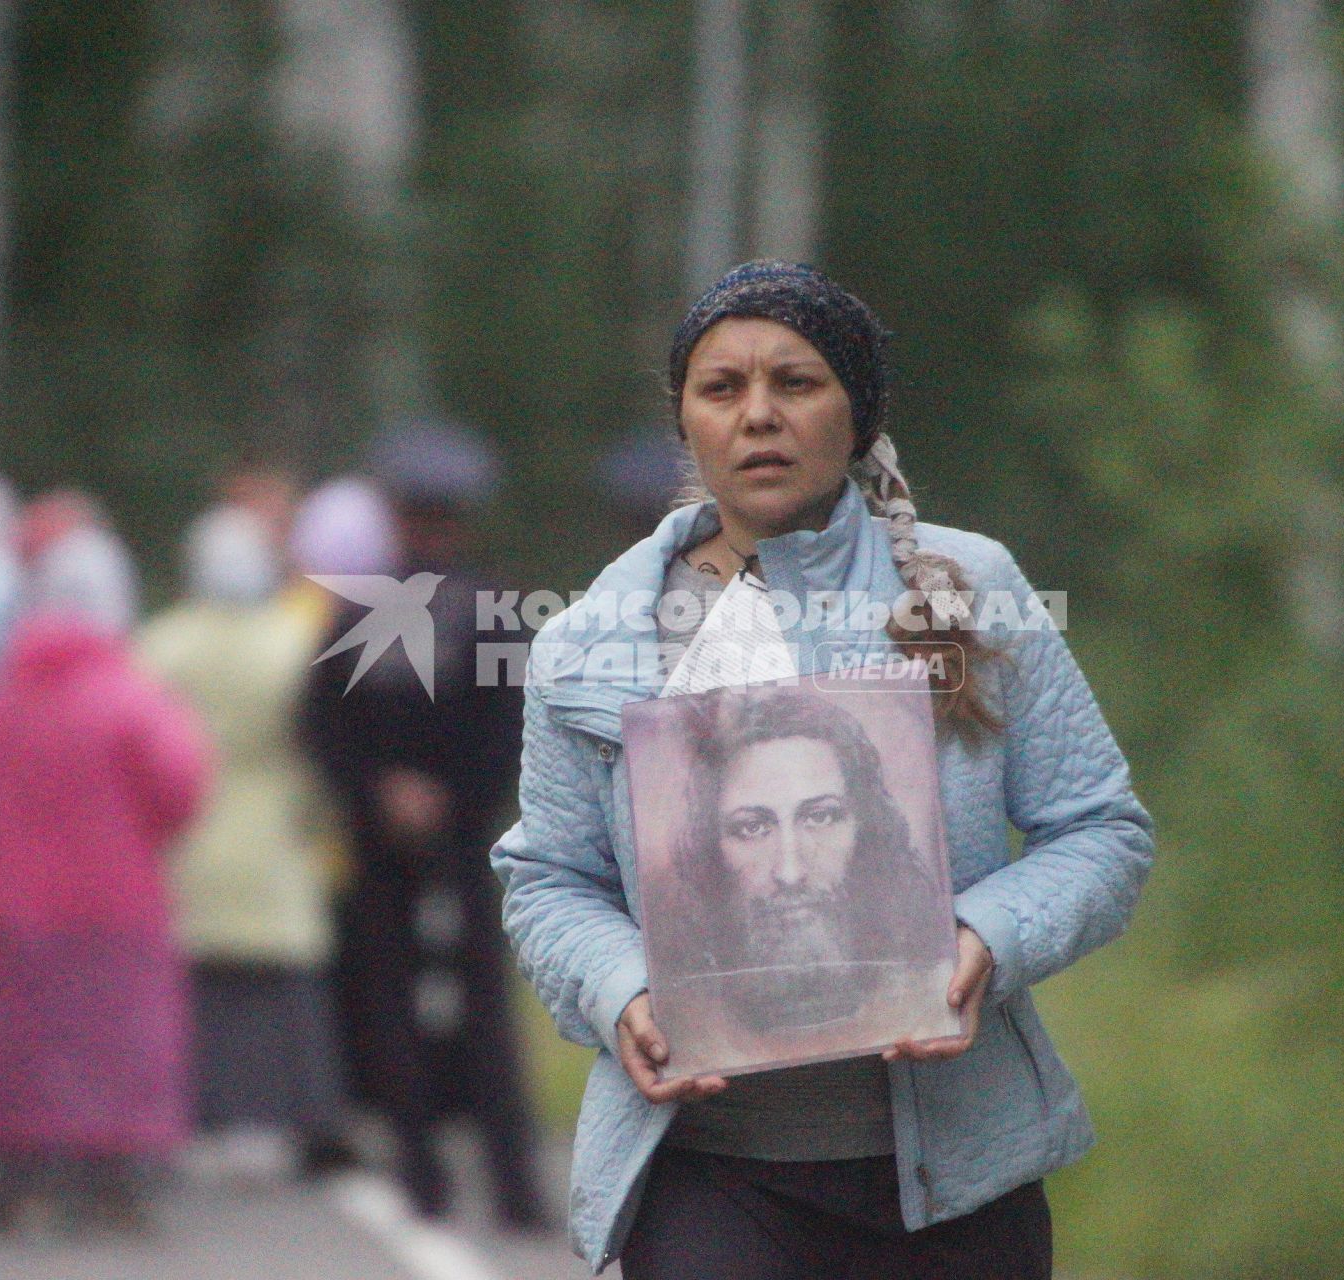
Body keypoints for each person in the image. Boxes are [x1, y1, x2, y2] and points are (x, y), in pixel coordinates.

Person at [491, 259, 1156, 1278]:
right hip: (711, 1174)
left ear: (857, 411)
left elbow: (1101, 829)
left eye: (794, 383)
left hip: (952, 1176)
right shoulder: (592, 638)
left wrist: (987, 938)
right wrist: (621, 988)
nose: (757, 415)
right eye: (722, 389)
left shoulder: (968, 586)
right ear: (686, 422)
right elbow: (548, 879)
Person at [299, 419, 548, 1228]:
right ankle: (498, 1184)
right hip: (447, 839)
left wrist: (390, 790)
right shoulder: (487, 607)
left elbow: (324, 727)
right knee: (467, 1012)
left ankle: (440, 1179)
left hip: (416, 843)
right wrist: (432, 794)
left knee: (415, 1010)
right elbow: (513, 726)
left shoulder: (367, 612)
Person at [0, 525, 211, 1234]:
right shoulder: (130, 695)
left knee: (14, 1042)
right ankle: (112, 1182)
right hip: (114, 901)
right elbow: (182, 785)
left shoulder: (0, 694)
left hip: (7, 904)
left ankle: (4, 1176)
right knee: (115, 1047)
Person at [137, 507, 354, 1179]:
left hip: (187, 832)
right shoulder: (295, 641)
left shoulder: (158, 645)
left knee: (191, 993)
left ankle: (188, 1117)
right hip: (273, 828)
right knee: (288, 993)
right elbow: (322, 744)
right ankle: (304, 1119)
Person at [647, 685, 952, 1070]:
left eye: (820, 817)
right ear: (711, 849)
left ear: (866, 827)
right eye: (752, 827)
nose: (790, 871)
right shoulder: (680, 1026)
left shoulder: (935, 995)